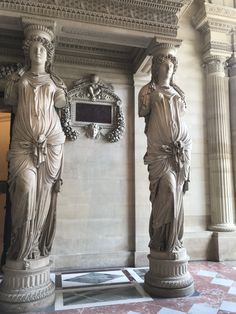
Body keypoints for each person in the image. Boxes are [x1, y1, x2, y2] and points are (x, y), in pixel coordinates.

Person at [4, 25, 67, 261]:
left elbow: (61, 103)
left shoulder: (54, 81)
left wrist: (61, 90)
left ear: (48, 54)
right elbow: (10, 99)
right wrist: (13, 80)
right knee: (24, 187)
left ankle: (35, 246)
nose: (38, 51)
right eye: (34, 47)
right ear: (28, 52)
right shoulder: (19, 78)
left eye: (42, 48)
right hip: (22, 144)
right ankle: (19, 244)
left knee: (43, 195)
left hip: (50, 145)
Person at [138, 44, 191, 253]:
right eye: (164, 65)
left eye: (171, 66)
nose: (168, 69)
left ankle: (173, 242)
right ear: (156, 68)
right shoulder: (148, 91)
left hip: (180, 151)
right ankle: (160, 238)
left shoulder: (178, 92)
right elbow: (143, 112)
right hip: (159, 152)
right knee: (166, 191)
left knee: (177, 195)